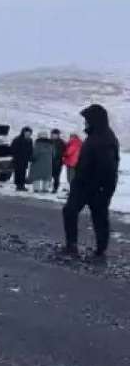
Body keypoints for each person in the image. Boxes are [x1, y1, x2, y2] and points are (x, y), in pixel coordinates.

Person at [62, 104, 120, 259]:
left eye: (87, 120)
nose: (85, 123)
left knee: (99, 216)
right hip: (83, 183)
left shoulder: (105, 139)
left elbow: (108, 168)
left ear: (95, 120)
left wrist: (103, 189)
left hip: (96, 186)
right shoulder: (94, 136)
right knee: (70, 211)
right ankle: (72, 245)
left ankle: (101, 249)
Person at [10, 126, 34, 191]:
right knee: (18, 172)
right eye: (27, 133)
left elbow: (31, 150)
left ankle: (22, 185)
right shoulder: (17, 139)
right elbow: (12, 149)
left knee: (23, 172)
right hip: (18, 159)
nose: (28, 134)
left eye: (29, 133)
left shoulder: (30, 140)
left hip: (25, 159)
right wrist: (15, 156)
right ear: (23, 132)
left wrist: (30, 157)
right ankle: (18, 185)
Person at [49, 129, 66, 193]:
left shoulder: (61, 142)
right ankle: (48, 186)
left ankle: (55, 188)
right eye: (53, 134)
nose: (54, 135)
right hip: (49, 161)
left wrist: (60, 156)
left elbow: (64, 151)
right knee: (49, 175)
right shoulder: (49, 141)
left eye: (55, 134)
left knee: (56, 176)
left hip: (58, 161)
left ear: (58, 135)